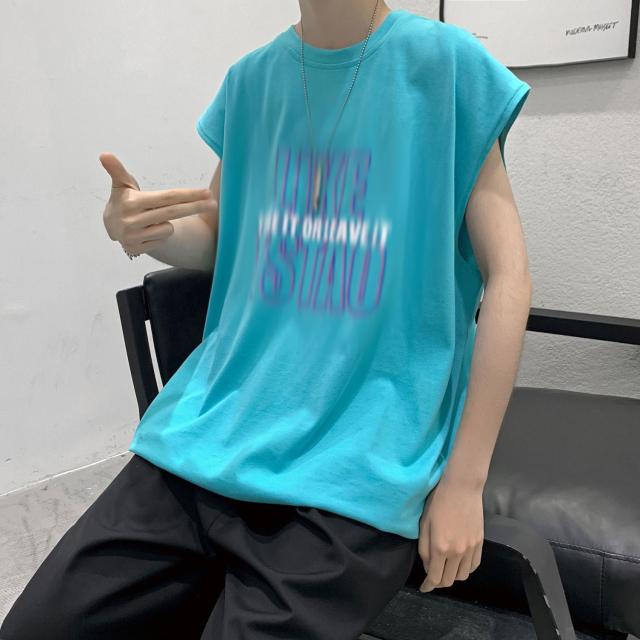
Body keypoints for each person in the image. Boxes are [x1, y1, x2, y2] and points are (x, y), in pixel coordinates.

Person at [0, 1, 532, 638]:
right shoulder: (252, 80)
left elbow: (509, 277)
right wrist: (145, 231)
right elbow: (224, 234)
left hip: (356, 462)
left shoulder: (447, 67)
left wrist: (464, 483)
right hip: (209, 430)